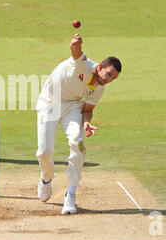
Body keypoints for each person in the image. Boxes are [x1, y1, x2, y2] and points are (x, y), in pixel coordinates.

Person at [36, 33, 122, 214]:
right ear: (100, 67)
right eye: (108, 74)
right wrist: (75, 44)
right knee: (44, 152)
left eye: (113, 78)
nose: (109, 80)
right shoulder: (84, 64)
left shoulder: (100, 89)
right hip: (48, 104)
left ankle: (71, 194)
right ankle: (46, 179)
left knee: (79, 144)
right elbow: (76, 52)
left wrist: (86, 124)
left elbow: (87, 110)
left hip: (72, 107)